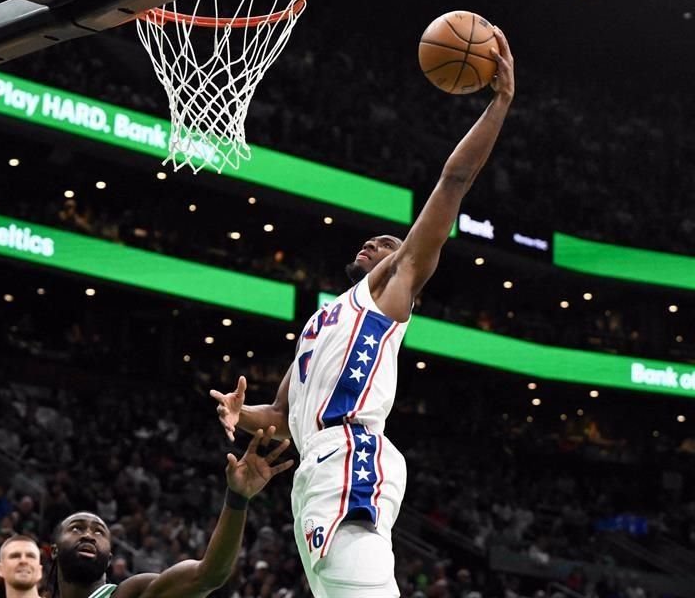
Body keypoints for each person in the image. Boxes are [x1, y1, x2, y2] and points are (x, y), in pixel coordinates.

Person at [209, 29, 516, 598]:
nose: (372, 246)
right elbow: (283, 415)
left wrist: (498, 104)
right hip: (313, 470)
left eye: (385, 243)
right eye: (371, 243)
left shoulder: (389, 295)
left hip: (351, 452)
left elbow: (452, 182)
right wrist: (240, 414)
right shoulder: (322, 321)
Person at [0, 427, 292, 598]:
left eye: (99, 532)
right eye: (76, 528)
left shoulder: (130, 594)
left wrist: (237, 498)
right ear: (54, 550)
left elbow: (208, 575)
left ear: (110, 556)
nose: (88, 534)